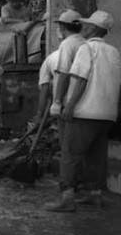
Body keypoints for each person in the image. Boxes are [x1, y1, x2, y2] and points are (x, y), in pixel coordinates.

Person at [44, 11, 121, 212]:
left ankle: (67, 197)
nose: (83, 28)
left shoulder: (86, 49)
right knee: (96, 155)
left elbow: (80, 79)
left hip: (85, 112)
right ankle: (94, 194)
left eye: (87, 26)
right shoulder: (114, 52)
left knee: (70, 154)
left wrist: (67, 105)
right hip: (107, 114)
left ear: (94, 29)